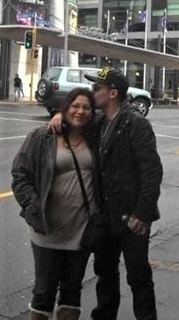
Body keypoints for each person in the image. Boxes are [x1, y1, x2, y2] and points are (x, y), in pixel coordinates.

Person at [48, 66, 163, 320]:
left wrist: (142, 214)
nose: (92, 92)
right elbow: (75, 119)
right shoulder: (99, 122)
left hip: (132, 219)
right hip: (106, 218)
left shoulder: (136, 123)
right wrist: (59, 116)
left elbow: (152, 172)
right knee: (105, 274)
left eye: (96, 88)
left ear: (112, 93)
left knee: (139, 278)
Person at [11, 88, 97, 320]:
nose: (80, 111)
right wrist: (33, 207)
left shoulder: (95, 137)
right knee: (44, 290)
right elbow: (20, 175)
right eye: (74, 106)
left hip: (82, 228)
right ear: (65, 107)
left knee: (72, 290)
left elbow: (112, 117)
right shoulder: (43, 136)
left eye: (86, 107)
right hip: (47, 227)